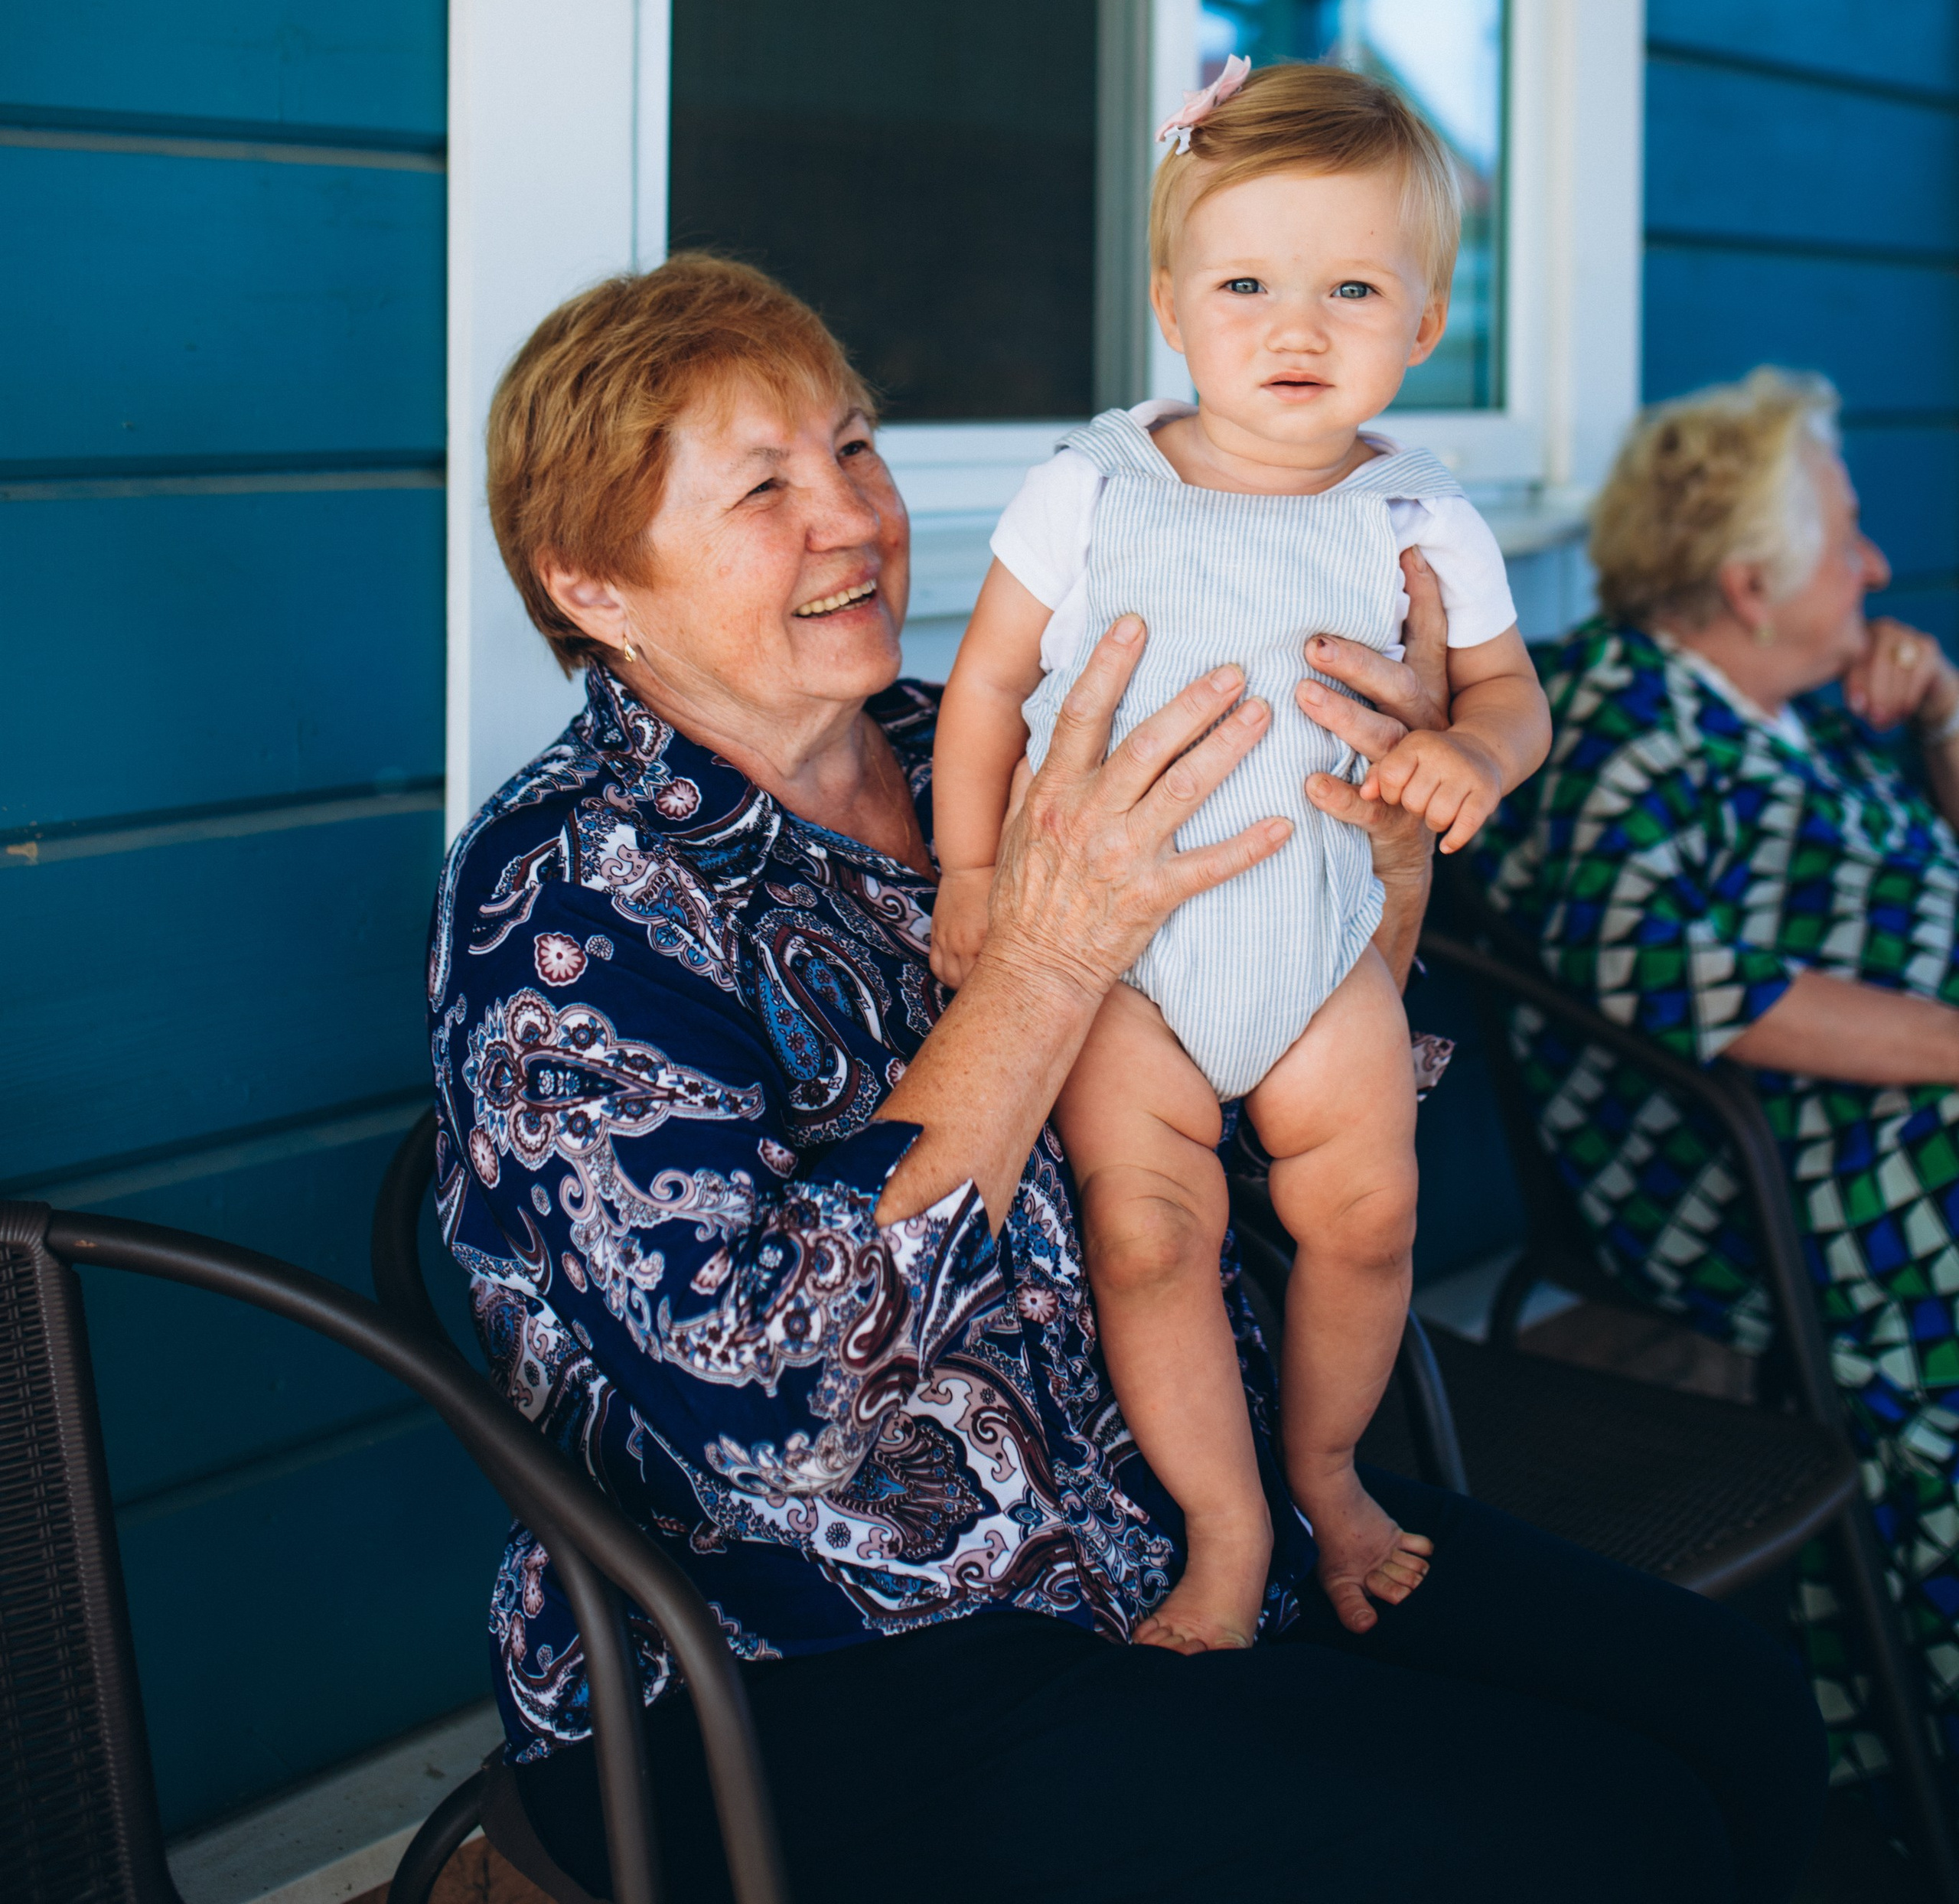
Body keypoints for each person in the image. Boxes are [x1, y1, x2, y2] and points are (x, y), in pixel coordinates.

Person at [430, 253, 1822, 1904]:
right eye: (761, 486)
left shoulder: (991, 748)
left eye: (855, 447)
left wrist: (1380, 882)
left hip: (1187, 1506)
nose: (852, 518)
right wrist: (1043, 957)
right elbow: (770, 1412)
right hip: (820, 1654)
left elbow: (1264, 1118)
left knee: (1738, 1711)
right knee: (1596, 1841)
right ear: (594, 584)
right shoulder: (569, 896)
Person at [931, 62, 1550, 1650]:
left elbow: (1506, 696)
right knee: (1151, 1236)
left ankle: (1328, 1473)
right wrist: (973, 880)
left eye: (1351, 287)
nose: (1295, 328)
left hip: (1316, 935)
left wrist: (1468, 753)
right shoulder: (1089, 487)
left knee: (1366, 1218)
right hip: (1118, 963)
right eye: (1244, 284)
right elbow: (988, 686)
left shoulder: (1418, 512)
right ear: (1168, 303)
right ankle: (1221, 1530)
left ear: (1420, 325)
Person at [1477, 367, 1959, 1796]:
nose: (1877, 565)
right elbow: (1681, 983)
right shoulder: (1614, 727)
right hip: (1765, 1179)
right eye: (1852, 533)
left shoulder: (1790, 712)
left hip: (1865, 1119)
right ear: (1750, 581)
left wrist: (1939, 719)